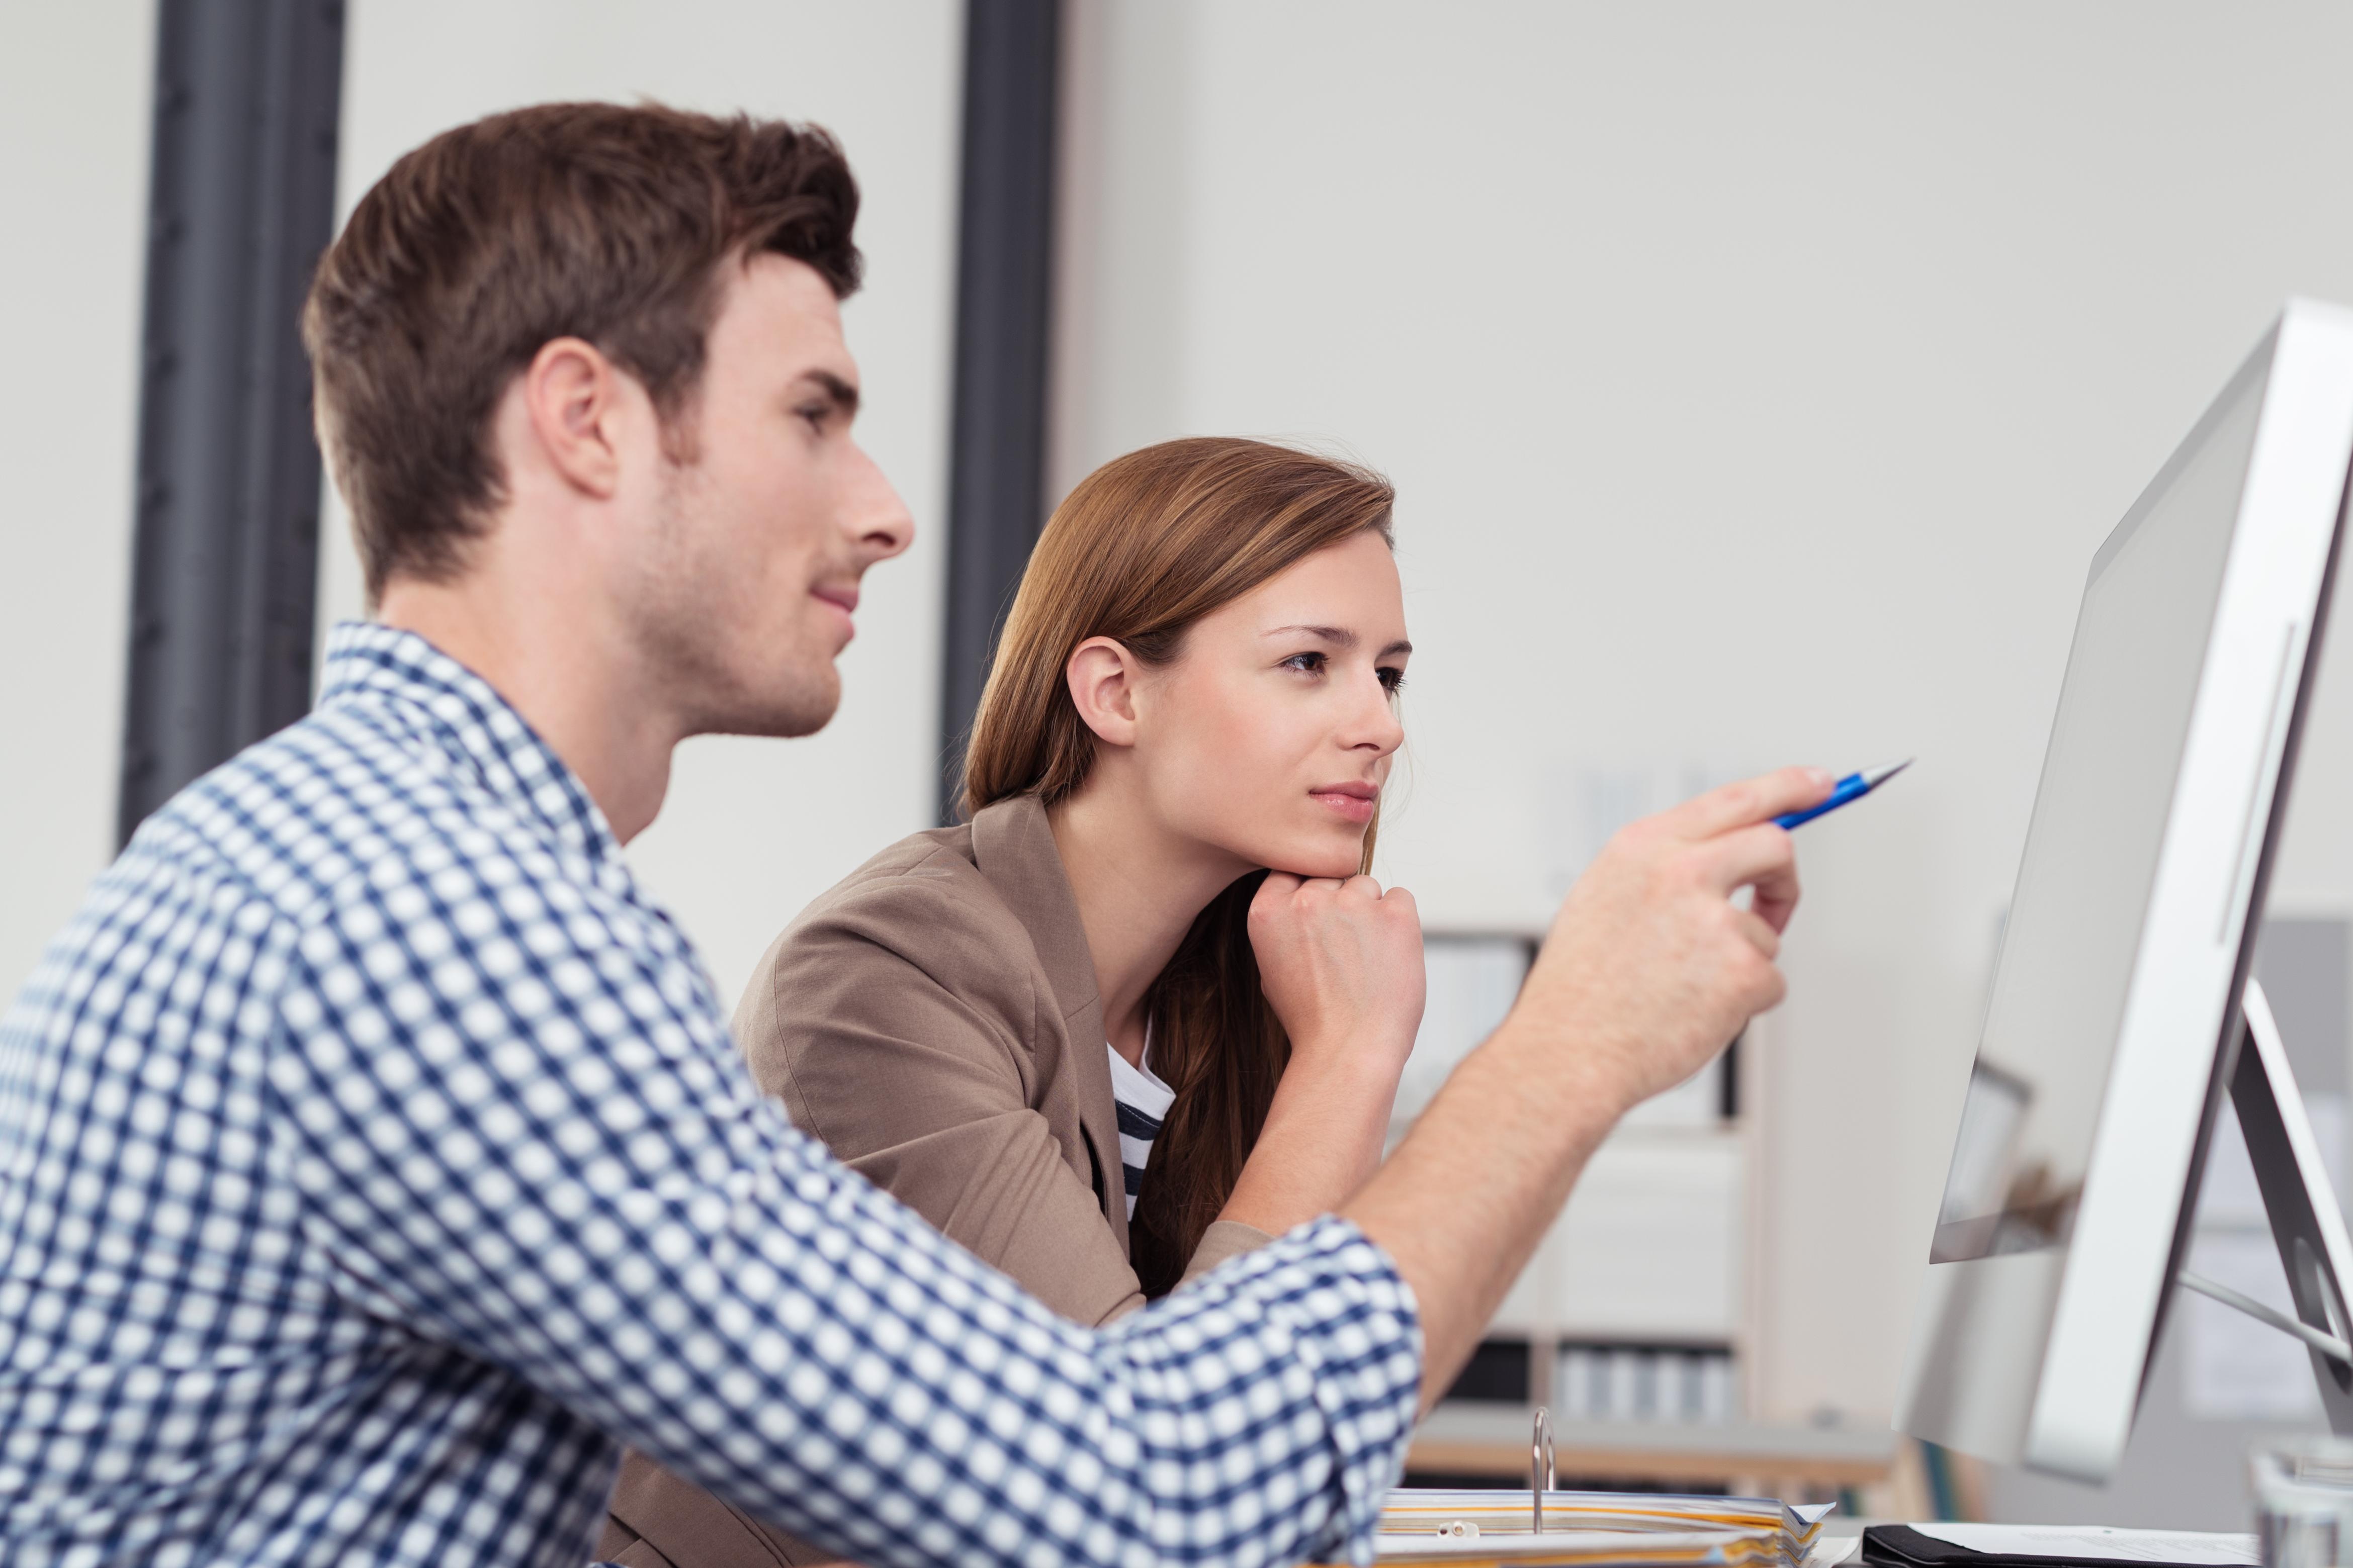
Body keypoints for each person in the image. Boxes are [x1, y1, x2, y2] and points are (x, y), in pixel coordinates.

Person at [0, 102, 1829, 1567]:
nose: (885, 512)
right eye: (815, 415)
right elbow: (1147, 1513)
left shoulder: (361, 861)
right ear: (586, 424)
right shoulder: (446, 930)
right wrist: (1578, 1043)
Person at [601, 438, 1426, 1565]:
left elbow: (1312, 1441)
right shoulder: (882, 974)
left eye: (1387, 672)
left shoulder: (1234, 991)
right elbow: (1169, 1493)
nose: (1379, 724)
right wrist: (1349, 1062)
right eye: (1307, 664)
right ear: (1115, 691)